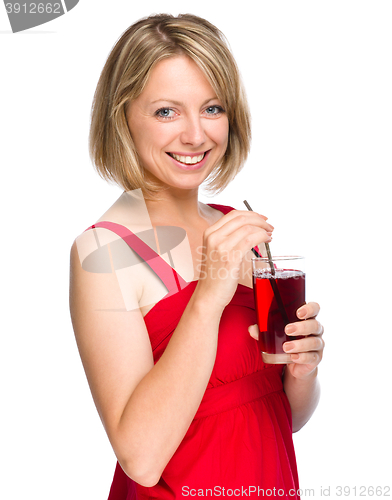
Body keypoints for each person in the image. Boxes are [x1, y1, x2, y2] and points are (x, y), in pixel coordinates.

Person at [69, 13, 325, 500]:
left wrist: (303, 369)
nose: (195, 135)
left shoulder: (237, 229)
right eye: (166, 111)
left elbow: (282, 417)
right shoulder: (103, 252)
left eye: (212, 108)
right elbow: (140, 458)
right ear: (122, 116)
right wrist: (208, 296)